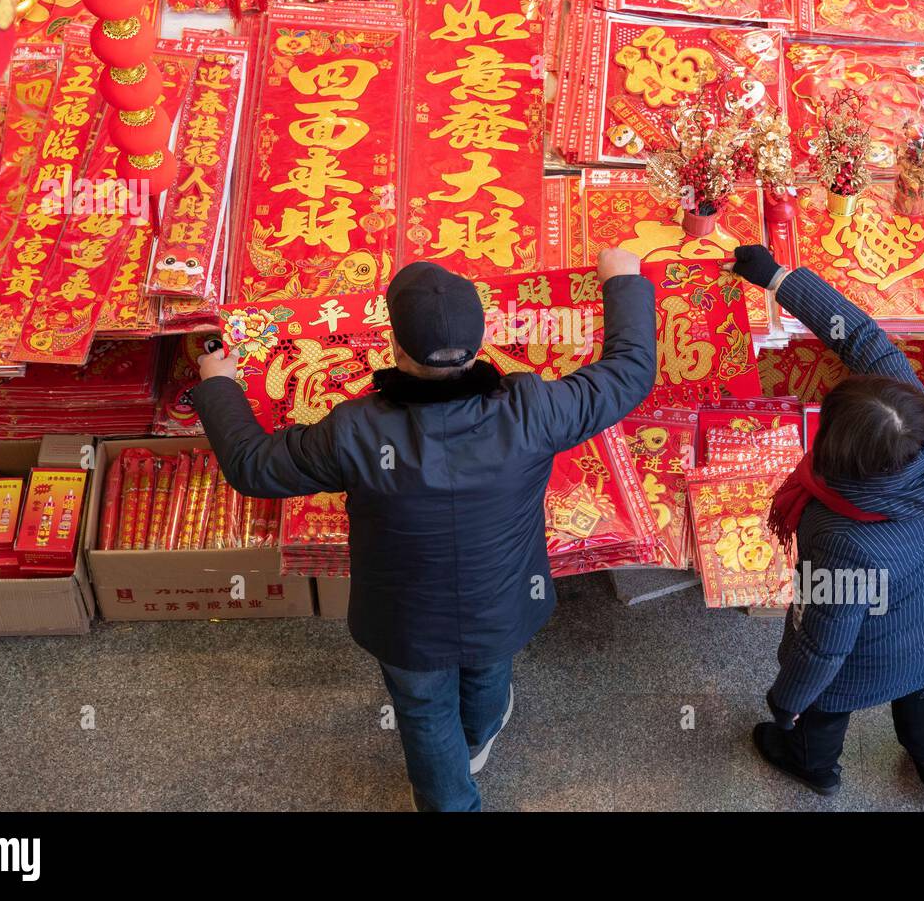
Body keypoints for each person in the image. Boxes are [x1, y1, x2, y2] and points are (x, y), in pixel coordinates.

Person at [192, 248, 656, 812]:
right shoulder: (534, 408)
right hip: (504, 600)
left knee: (420, 708)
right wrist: (624, 282)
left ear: (393, 347)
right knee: (489, 668)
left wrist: (218, 384)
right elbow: (628, 372)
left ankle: (449, 801)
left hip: (406, 620)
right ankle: (479, 738)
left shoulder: (355, 431)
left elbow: (252, 465)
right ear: (480, 343)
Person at [727, 244, 924, 805]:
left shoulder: (843, 541)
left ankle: (815, 767)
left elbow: (821, 644)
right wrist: (780, 279)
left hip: (865, 662)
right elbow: (862, 337)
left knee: (819, 713)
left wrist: (786, 702)